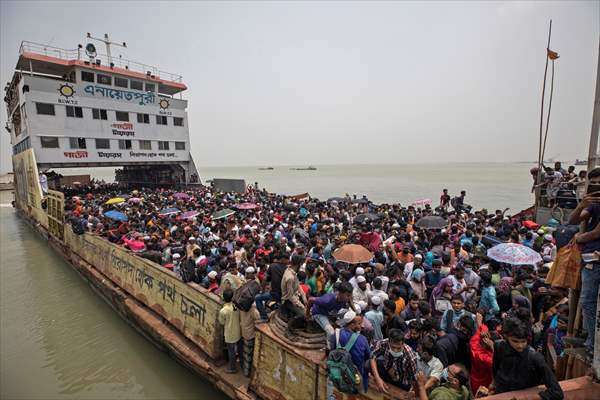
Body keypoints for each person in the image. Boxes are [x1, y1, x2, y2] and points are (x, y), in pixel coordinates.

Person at [568, 166, 600, 359]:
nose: (596, 187)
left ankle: (593, 344)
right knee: (587, 301)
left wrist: (581, 238)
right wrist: (582, 204)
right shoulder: (593, 204)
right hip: (590, 258)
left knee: (588, 301)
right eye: (593, 184)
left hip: (595, 259)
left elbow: (597, 233)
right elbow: (572, 220)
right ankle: (590, 339)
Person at [491, 317, 563, 400]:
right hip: (501, 393)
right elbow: (495, 368)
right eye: (515, 341)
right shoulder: (499, 346)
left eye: (523, 341)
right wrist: (494, 383)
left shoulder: (535, 357)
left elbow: (557, 392)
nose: (520, 345)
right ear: (506, 337)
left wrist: (528, 398)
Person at [329, 310, 372, 393]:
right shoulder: (362, 339)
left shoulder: (336, 334)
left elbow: (332, 351)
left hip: (337, 375)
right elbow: (368, 357)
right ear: (352, 324)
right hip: (355, 379)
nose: (362, 326)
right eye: (359, 323)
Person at [218, 288, 242, 373]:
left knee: (231, 351)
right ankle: (239, 364)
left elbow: (221, 322)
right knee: (236, 349)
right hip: (238, 331)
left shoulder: (223, 311)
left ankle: (232, 368)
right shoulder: (236, 306)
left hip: (229, 333)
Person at [470, 313, 494, 394]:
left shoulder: (474, 342)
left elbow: (481, 330)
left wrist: (479, 323)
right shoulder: (483, 357)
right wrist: (493, 347)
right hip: (484, 383)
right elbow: (499, 362)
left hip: (474, 377)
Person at [280, 254, 306, 321]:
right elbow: (290, 296)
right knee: (303, 315)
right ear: (299, 264)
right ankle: (290, 325)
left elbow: (297, 285)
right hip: (288, 301)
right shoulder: (290, 277)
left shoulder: (291, 270)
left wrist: (303, 296)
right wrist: (302, 306)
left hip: (294, 296)